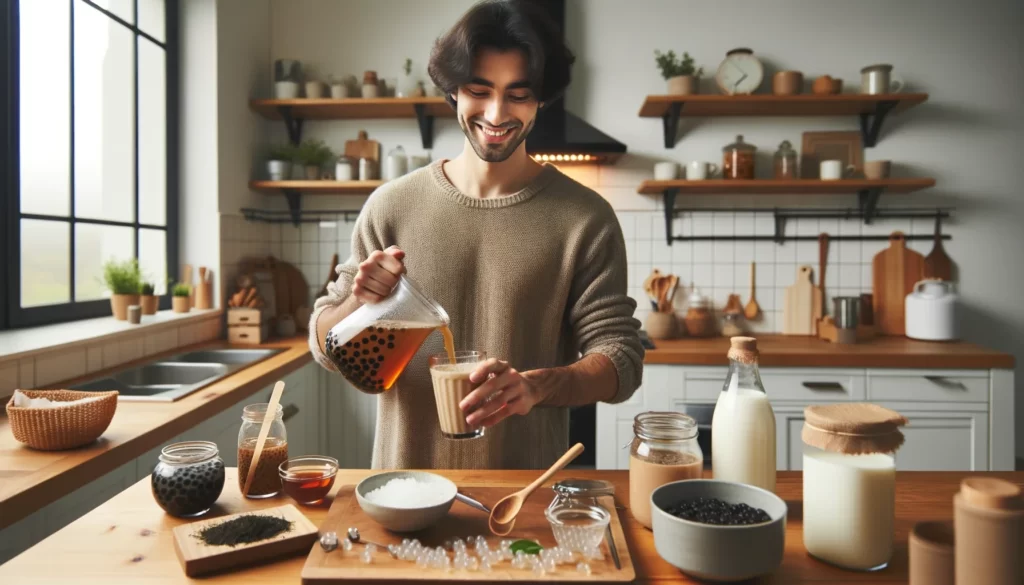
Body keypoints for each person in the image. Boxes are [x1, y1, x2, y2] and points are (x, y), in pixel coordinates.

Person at [308, 0, 643, 470]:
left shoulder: (585, 219)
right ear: (454, 93)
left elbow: (621, 358)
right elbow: (325, 345)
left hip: (525, 498)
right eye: (479, 90)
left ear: (541, 98)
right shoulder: (391, 205)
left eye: (518, 94)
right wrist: (357, 305)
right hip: (404, 491)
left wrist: (536, 387)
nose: (496, 112)